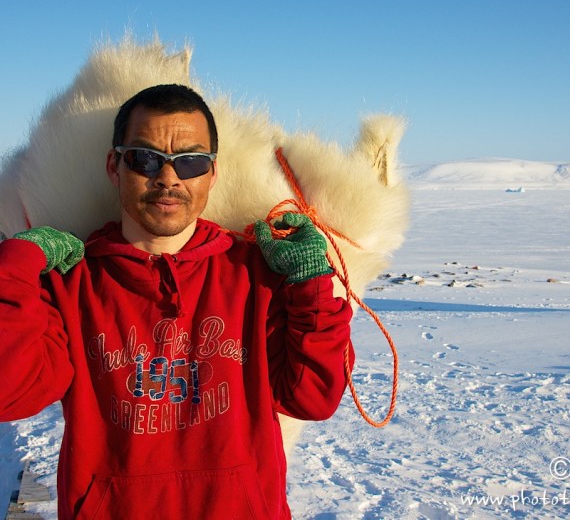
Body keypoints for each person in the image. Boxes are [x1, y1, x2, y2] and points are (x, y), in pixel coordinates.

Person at [0, 84, 353, 519]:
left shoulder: (256, 276)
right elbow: (10, 396)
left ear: (212, 173)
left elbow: (313, 398)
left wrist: (310, 280)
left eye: (190, 161)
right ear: (115, 166)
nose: (168, 177)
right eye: (144, 158)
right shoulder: (73, 284)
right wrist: (16, 263)